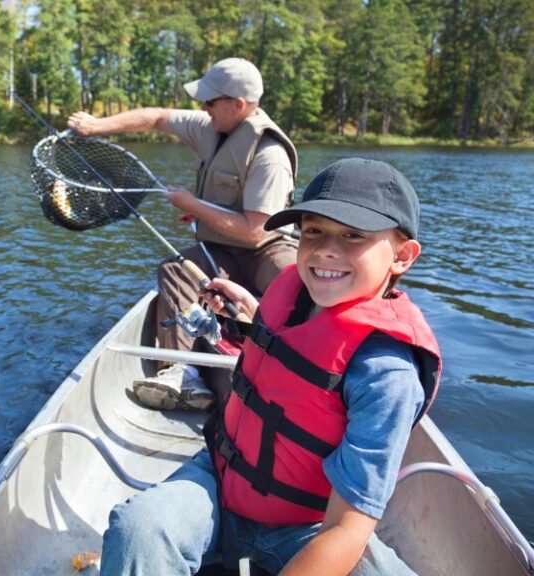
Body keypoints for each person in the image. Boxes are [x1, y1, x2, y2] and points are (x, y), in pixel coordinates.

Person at [98, 158, 442, 576]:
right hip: (222, 480)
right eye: (313, 230)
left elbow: (346, 528)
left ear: (403, 256)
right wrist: (250, 312)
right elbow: (293, 358)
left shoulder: (388, 375)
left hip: (310, 522)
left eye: (354, 235)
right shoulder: (294, 296)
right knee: (139, 530)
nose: (327, 249)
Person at [67, 57, 298, 411]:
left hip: (267, 246)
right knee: (175, 271)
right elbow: (159, 118)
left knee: (295, 283)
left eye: (210, 101)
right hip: (221, 248)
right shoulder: (211, 127)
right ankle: (180, 372)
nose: (202, 108)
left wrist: (193, 204)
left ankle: (303, 368)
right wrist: (98, 126)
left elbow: (255, 231)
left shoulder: (270, 155)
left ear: (237, 105)